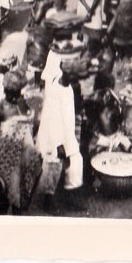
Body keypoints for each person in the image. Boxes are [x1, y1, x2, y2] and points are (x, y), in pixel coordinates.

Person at [36, 59, 89, 215]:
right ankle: (48, 199)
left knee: (76, 161)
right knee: (54, 163)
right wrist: (59, 144)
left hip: (66, 133)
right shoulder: (54, 91)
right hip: (52, 136)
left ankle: (70, 196)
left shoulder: (68, 88)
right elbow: (53, 120)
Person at [0, 70, 42, 215]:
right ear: (5, 90)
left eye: (17, 92)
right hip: (4, 157)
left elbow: (32, 124)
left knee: (19, 188)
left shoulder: (23, 105)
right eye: (11, 92)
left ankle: (16, 215)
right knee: (1, 191)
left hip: (20, 156)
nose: (15, 95)